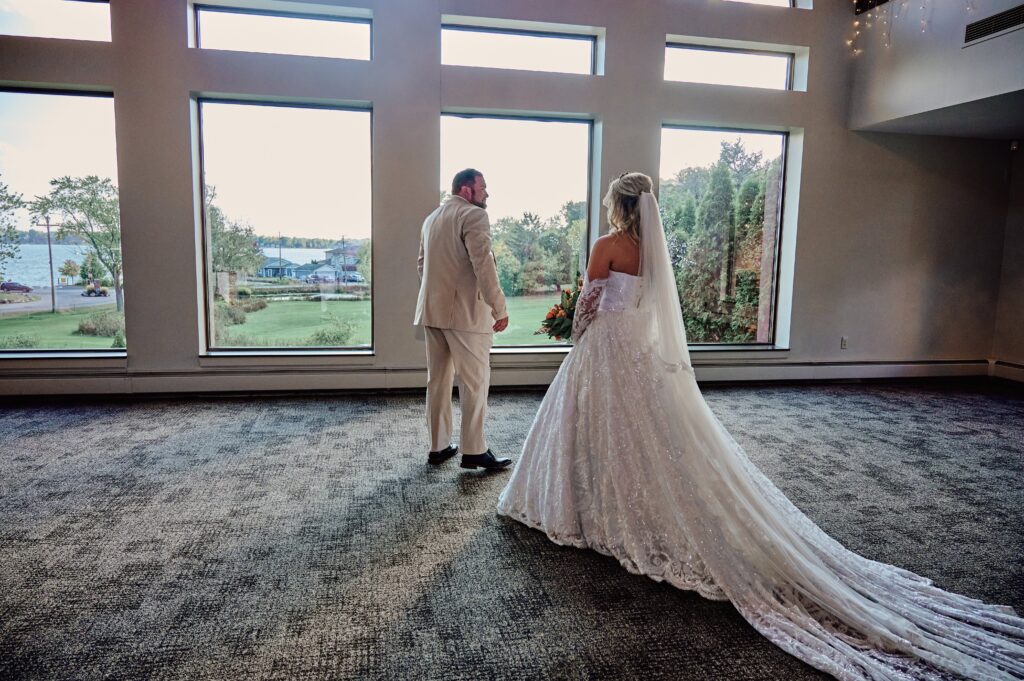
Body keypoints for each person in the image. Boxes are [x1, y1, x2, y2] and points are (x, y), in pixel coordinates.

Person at [497, 172, 1024, 680]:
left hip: (607, 345)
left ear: (618, 205)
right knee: (648, 427)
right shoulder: (653, 251)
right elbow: (654, 306)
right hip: (637, 345)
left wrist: (576, 337)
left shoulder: (608, 245)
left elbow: (589, 302)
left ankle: (589, 503)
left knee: (597, 421)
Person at [414, 168, 512, 471]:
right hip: (467, 315)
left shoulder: (432, 219)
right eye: (483, 188)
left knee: (438, 381)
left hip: (432, 311)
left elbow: (422, 265)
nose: (486, 194)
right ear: (467, 190)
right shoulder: (473, 216)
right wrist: (499, 308)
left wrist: (440, 295)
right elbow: (483, 265)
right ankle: (474, 450)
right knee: (475, 382)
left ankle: (439, 446)